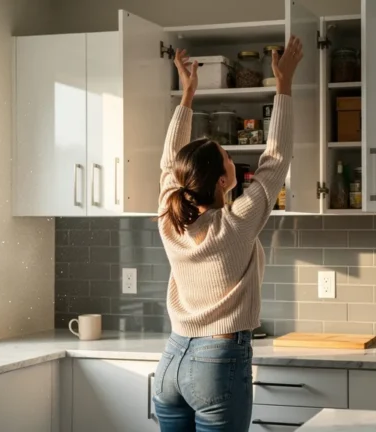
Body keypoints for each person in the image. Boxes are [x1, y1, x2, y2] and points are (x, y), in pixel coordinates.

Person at [151, 36, 303, 431]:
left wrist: (187, 95)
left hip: (171, 362)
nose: (233, 159)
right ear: (223, 180)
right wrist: (283, 86)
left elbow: (170, 161)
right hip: (217, 362)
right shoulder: (235, 223)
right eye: (227, 156)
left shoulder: (170, 219)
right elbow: (276, 159)